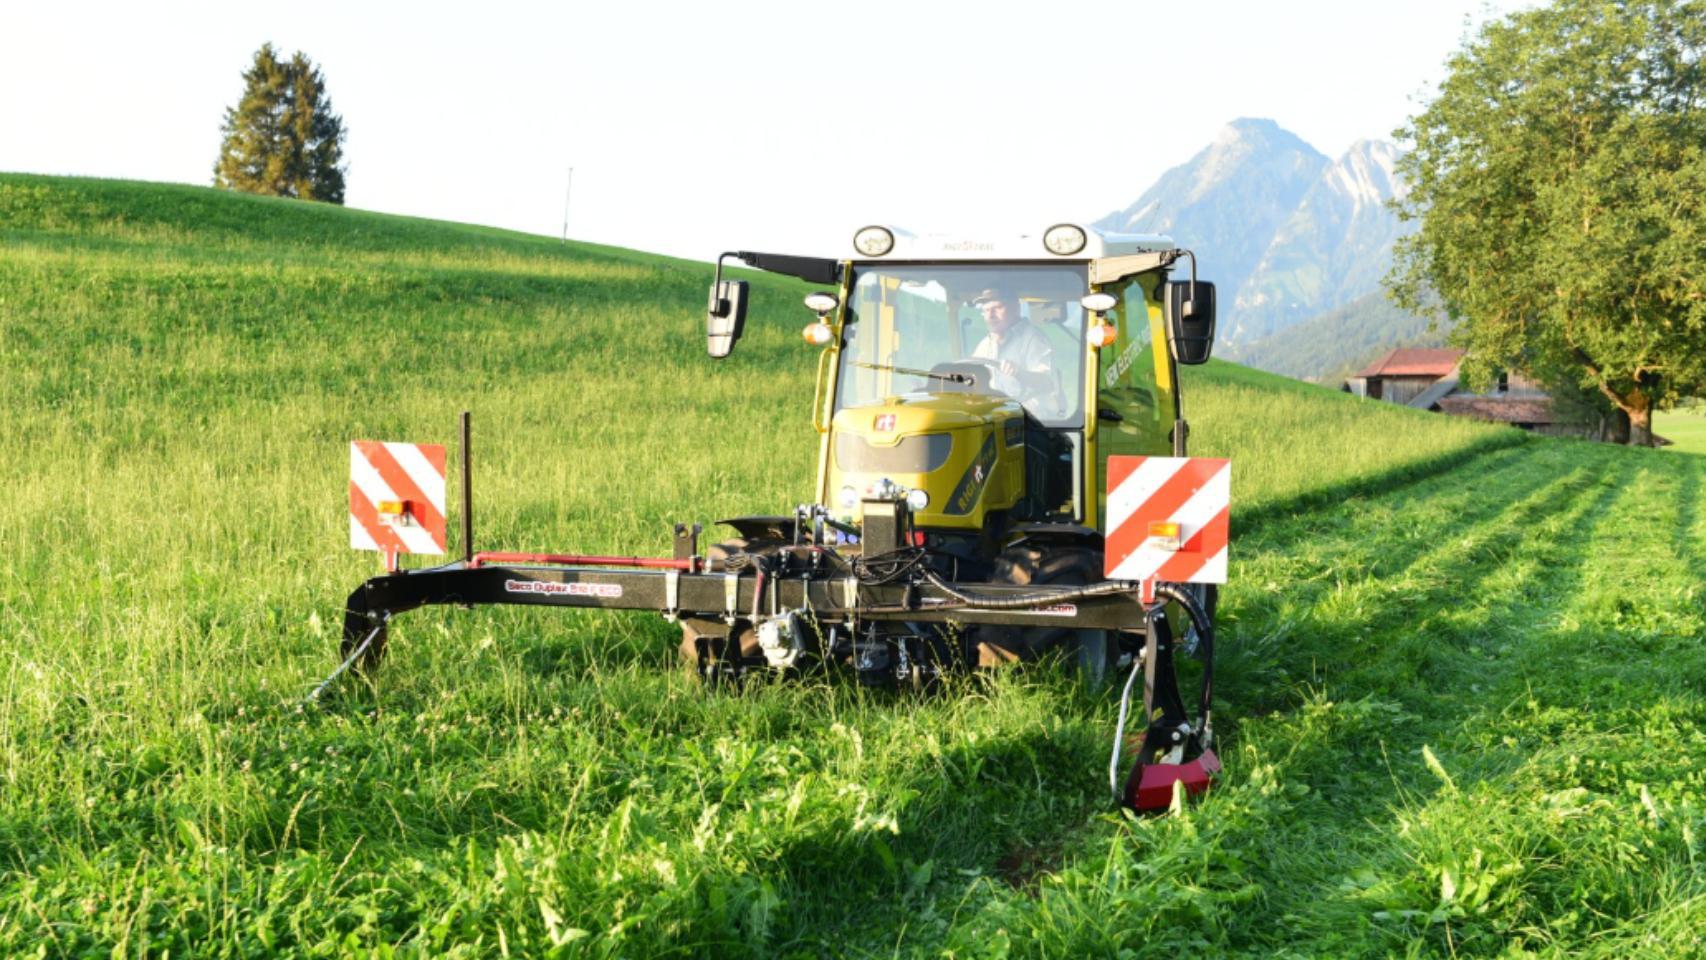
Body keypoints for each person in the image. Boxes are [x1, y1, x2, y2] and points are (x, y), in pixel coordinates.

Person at [969, 288, 1057, 411]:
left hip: (1030, 422)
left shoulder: (1034, 339)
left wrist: (1019, 373)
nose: (990, 316)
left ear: (1016, 308)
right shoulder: (985, 344)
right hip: (996, 419)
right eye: (986, 310)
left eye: (997, 308)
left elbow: (1048, 384)